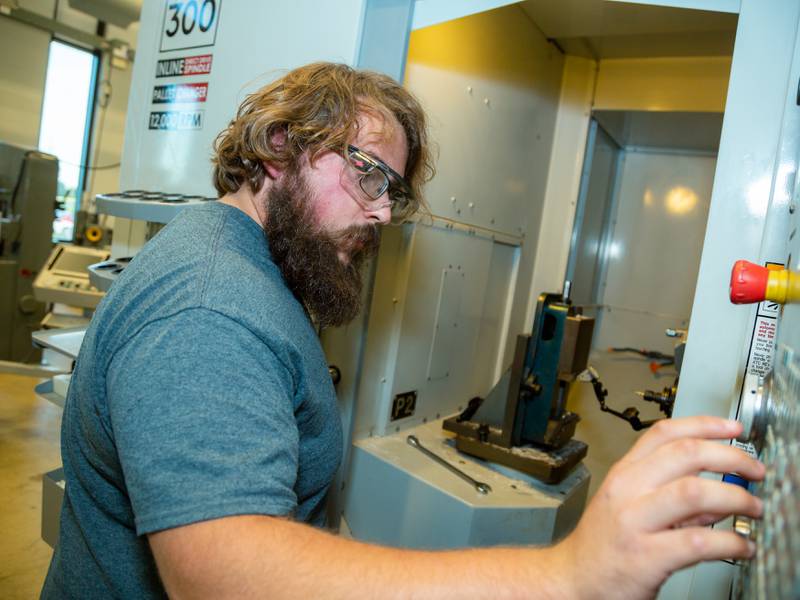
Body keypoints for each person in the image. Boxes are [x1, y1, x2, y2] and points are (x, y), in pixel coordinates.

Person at [42, 62, 764, 599]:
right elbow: (222, 575)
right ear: (277, 147)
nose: (384, 213)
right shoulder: (209, 307)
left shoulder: (251, 265)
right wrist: (568, 575)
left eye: (394, 190)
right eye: (368, 175)